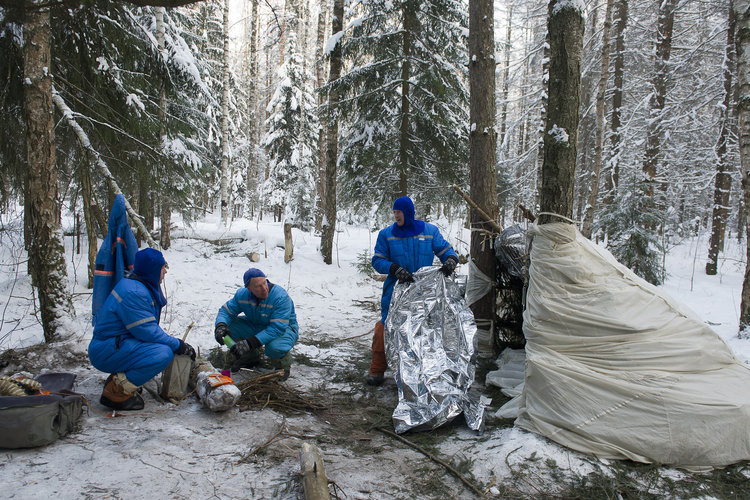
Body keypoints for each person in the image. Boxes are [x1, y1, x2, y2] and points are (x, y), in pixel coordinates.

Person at [88, 248, 196, 411]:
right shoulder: (134, 292)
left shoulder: (137, 284)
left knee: (159, 348)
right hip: (106, 349)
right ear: (152, 270)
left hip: (115, 344)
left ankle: (122, 379)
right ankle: (116, 391)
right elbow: (147, 332)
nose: (165, 272)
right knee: (162, 353)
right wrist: (178, 345)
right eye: (162, 268)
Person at [368, 196, 459, 385]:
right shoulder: (387, 234)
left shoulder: (429, 231)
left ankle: (418, 370)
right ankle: (377, 368)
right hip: (395, 290)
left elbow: (445, 250)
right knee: (386, 326)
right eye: (394, 212)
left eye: (398, 212)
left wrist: (450, 259)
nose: (396, 216)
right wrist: (394, 268)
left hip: (422, 291)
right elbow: (377, 260)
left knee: (421, 329)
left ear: (408, 212)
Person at [214, 268, 298, 379]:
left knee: (274, 347)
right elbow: (226, 312)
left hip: (284, 329)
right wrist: (220, 325)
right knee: (228, 328)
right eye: (258, 286)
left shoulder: (280, 297)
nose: (264, 289)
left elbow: (277, 328)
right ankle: (248, 357)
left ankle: (282, 364)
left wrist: (250, 342)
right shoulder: (242, 295)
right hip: (256, 324)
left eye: (264, 283)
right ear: (249, 289)